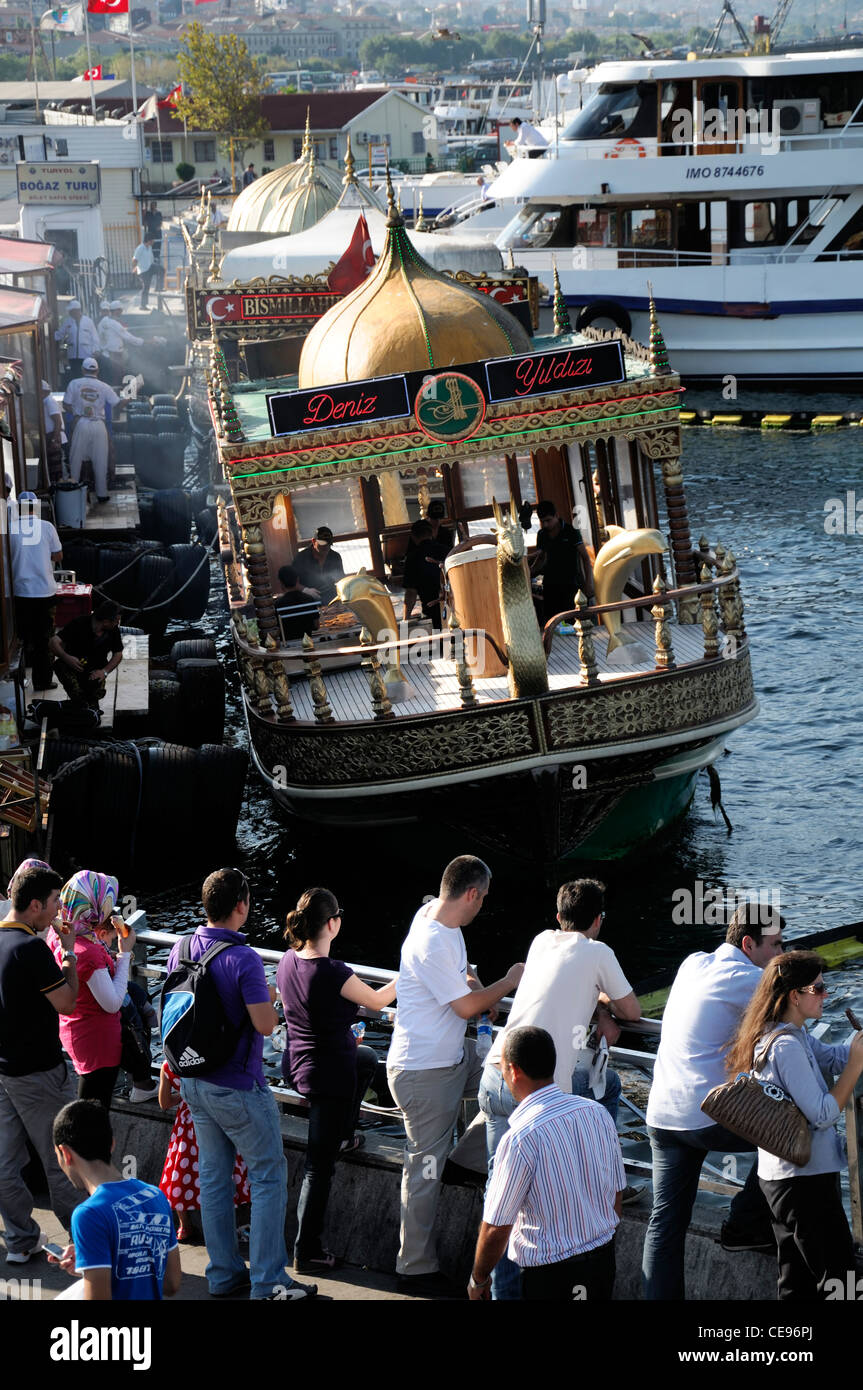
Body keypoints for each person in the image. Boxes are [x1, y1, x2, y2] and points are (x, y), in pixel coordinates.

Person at [478, 877, 641, 1298]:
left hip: (497, 1073)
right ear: (599, 920)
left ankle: (499, 1292)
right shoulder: (598, 950)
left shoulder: (540, 941)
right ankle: (602, 1176)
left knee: (501, 1195)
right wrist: (603, 1001)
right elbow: (632, 1009)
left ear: (557, 917)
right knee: (607, 1090)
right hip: (536, 1085)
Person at [165, 868, 316, 1300]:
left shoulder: (181, 947)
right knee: (268, 1174)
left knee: (214, 1178)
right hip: (237, 1086)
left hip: (193, 1081)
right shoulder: (244, 959)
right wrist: (268, 996)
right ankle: (268, 1281)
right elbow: (266, 1026)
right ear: (241, 906)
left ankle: (223, 1275)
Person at [386, 855, 524, 1298]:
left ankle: (464, 1159)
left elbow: (460, 982)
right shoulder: (430, 938)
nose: (482, 906)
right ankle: (413, 1267)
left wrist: (476, 982)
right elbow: (464, 1008)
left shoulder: (434, 916)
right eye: (482, 899)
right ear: (471, 894)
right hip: (424, 1070)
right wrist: (506, 982)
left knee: (504, 1086)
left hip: (447, 1060)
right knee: (423, 1168)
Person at [642, 903, 786, 1300]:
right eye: (774, 945)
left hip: (662, 1116)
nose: (780, 955)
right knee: (793, 1131)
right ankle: (744, 1224)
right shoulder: (751, 978)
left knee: (665, 1222)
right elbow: (793, 1026)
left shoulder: (693, 963)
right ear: (748, 944)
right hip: (706, 1118)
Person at [725, 951, 863, 1301]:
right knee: (842, 1282)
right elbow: (821, 1113)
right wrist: (856, 1068)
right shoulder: (785, 1045)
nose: (825, 994)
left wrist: (854, 1049)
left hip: (780, 1179)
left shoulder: (782, 1033)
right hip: (804, 1183)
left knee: (796, 1281)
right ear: (793, 996)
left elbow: (831, 1057)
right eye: (817, 988)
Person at [276, 887, 397, 1274]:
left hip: (295, 1065)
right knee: (318, 1168)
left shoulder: (288, 961)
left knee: (365, 1058)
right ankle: (306, 1250)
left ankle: (345, 1133)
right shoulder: (333, 972)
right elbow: (378, 1001)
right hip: (326, 1077)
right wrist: (413, 970)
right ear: (333, 924)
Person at [469, 1026, 625, 1301]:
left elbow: (496, 1227)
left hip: (551, 1276)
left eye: (501, 1068)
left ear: (513, 1072)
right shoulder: (596, 1113)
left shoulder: (520, 1138)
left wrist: (479, 1279)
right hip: (603, 1262)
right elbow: (616, 1191)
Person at [0, 863, 82, 1262]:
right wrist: (68, 957)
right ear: (35, 904)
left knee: (3, 1164)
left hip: (3, 1072)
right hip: (39, 1074)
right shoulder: (31, 949)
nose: (56, 911)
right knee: (63, 1159)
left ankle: (19, 1239)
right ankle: (86, 1244)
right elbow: (67, 1002)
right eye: (53, 903)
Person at [50, 1099, 181, 1301]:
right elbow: (171, 1284)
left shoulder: (89, 1214)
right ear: (112, 1143)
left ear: (65, 1154)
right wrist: (93, 1259)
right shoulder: (155, 1195)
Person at [48, 871, 136, 1110]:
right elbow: (112, 1003)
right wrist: (125, 953)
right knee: (95, 1113)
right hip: (97, 1043)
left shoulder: (62, 935)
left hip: (75, 1031)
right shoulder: (88, 952)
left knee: (88, 1110)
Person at [158, 1059, 250, 1243]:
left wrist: (183, 1095)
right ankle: (227, 1227)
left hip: (185, 1126)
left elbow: (165, 1102)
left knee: (181, 1172)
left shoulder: (168, 1065)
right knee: (222, 1170)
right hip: (212, 1119)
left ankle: (184, 1227)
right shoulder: (208, 1059)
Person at [9, 491, 62, 692]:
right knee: (45, 639)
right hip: (45, 593)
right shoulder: (47, 527)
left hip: (21, 593)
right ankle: (43, 681)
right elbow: (58, 556)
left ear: (18, 508)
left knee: (21, 639)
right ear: (36, 507)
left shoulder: (10, 528)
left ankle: (19, 681)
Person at [63, 357, 122, 504]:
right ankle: (102, 494)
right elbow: (117, 404)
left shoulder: (74, 384)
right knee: (101, 460)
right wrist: (133, 391)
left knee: (75, 459)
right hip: (99, 425)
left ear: (83, 369)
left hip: (81, 422)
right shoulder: (104, 386)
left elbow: (65, 404)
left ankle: (73, 489)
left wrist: (76, 413)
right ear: (97, 370)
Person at [51, 598, 124, 710]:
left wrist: (104, 672)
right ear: (105, 621)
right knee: (77, 695)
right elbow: (53, 642)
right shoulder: (79, 623)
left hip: (95, 671)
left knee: (93, 696)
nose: (118, 624)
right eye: (116, 621)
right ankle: (79, 703)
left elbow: (118, 653)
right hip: (73, 667)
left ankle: (88, 704)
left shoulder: (113, 630)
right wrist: (66, 657)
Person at [530, 499, 594, 623]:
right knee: (553, 624)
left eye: (548, 520)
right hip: (550, 587)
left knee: (574, 622)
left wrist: (589, 583)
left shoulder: (571, 531)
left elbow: (585, 558)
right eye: (542, 522)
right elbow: (541, 557)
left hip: (571, 586)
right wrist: (530, 572)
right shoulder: (542, 534)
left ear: (556, 515)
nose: (546, 525)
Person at [402, 519, 443, 628]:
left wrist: (405, 620)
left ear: (413, 537)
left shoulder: (412, 559)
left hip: (431, 614)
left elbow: (411, 593)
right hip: (454, 608)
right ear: (433, 533)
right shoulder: (447, 551)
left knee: (440, 643)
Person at [292, 526, 345, 604]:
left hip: (331, 598)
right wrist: (305, 590)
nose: (326, 547)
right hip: (308, 599)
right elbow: (292, 582)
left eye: (328, 544)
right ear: (313, 541)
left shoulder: (335, 556)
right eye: (322, 544)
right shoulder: (301, 557)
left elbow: (341, 579)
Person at [98, 300, 143, 385]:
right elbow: (129, 338)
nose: (121, 313)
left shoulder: (103, 322)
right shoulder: (114, 324)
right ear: (116, 311)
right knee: (117, 379)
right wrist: (144, 342)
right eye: (120, 311)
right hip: (114, 356)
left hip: (104, 355)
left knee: (107, 379)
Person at [55, 300, 99, 381]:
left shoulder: (88, 321)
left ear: (77, 310)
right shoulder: (68, 321)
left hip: (86, 354)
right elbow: (60, 334)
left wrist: (96, 350)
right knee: (75, 375)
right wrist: (49, 337)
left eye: (71, 311)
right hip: (73, 355)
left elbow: (95, 337)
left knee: (86, 375)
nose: (70, 313)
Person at [274, 563, 319, 640]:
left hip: (286, 645)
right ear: (297, 580)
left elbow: (276, 630)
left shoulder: (278, 604)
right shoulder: (309, 599)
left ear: (281, 583)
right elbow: (316, 626)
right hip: (308, 642)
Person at [42, 380, 65, 483]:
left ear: (44, 391)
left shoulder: (50, 401)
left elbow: (57, 421)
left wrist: (54, 440)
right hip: (50, 436)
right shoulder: (45, 402)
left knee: (56, 468)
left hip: (54, 436)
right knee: (52, 467)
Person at [132, 234, 156, 310]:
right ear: (149, 240)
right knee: (145, 287)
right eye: (152, 240)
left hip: (149, 269)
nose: (154, 242)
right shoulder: (140, 248)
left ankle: (159, 287)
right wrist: (135, 267)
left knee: (147, 287)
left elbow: (151, 258)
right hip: (142, 271)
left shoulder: (149, 248)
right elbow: (135, 259)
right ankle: (143, 305)